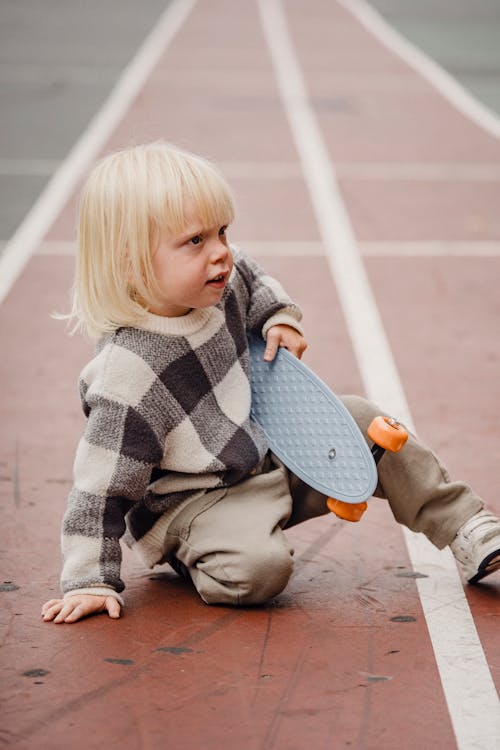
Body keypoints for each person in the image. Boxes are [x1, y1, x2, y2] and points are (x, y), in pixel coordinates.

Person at [42, 142, 500, 624]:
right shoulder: (127, 374)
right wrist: (89, 578)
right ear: (131, 262)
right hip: (194, 504)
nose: (221, 251)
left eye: (221, 230)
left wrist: (280, 317)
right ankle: (201, 552)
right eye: (195, 241)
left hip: (257, 455)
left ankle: (465, 526)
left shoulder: (219, 281)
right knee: (259, 572)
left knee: (367, 424)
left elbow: (253, 277)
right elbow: (100, 487)